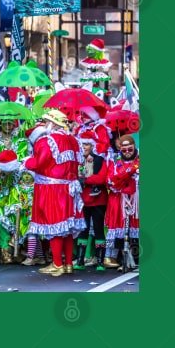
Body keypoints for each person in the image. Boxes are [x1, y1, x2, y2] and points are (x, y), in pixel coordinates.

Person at [24, 110, 85, 277]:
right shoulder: (73, 140)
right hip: (69, 188)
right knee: (67, 228)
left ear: (53, 123)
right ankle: (67, 264)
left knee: (55, 226)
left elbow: (38, 163)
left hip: (51, 189)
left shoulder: (47, 141)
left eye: (46, 122)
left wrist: (25, 161)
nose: (45, 125)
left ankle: (57, 263)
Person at [73, 130, 108, 271]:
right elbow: (72, 175)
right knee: (83, 230)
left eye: (86, 144)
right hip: (83, 200)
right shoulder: (76, 161)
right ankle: (80, 261)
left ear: (92, 146)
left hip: (98, 200)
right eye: (82, 144)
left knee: (99, 229)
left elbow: (101, 178)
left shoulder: (99, 160)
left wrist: (84, 180)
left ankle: (100, 262)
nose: (84, 147)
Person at [103, 134, 139, 269]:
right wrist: (126, 175)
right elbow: (110, 179)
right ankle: (112, 256)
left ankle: (134, 257)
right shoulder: (114, 159)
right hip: (118, 199)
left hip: (136, 198)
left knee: (134, 229)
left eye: (130, 149)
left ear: (134, 147)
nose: (128, 153)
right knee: (118, 227)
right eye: (124, 150)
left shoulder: (140, 158)